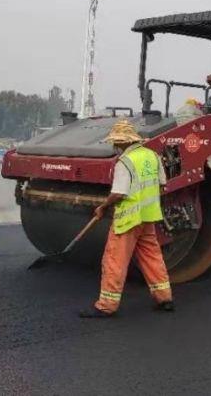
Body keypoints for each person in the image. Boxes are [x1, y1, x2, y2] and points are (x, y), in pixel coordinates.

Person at [79, 119, 174, 318]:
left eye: (116, 142)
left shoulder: (125, 162)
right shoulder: (153, 156)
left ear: (123, 142)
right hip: (148, 217)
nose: (114, 146)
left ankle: (106, 305)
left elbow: (119, 193)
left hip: (128, 220)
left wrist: (103, 207)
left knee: (114, 260)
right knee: (152, 257)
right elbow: (162, 185)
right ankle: (164, 298)